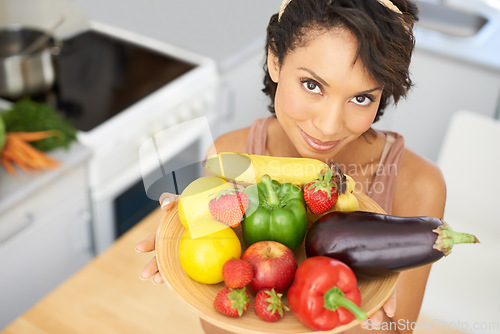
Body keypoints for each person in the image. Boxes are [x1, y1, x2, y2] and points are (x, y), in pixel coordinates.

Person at [136, 0, 446, 332]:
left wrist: (371, 318)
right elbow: (217, 325)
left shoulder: (418, 185)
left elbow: (397, 329)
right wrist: (189, 261)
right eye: (313, 85)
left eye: (361, 98)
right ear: (275, 60)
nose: (328, 127)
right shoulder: (229, 154)